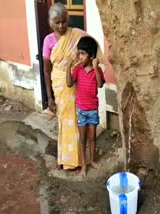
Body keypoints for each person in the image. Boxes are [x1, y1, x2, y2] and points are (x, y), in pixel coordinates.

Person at [43, 3, 99, 170]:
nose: (61, 26)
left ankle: (80, 159)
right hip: (60, 84)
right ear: (50, 22)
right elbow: (46, 72)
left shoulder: (77, 35)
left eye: (63, 22)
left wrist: (96, 64)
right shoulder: (48, 41)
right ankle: (66, 159)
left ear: (67, 20)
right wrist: (49, 97)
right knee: (64, 120)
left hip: (77, 83)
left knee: (77, 120)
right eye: (56, 22)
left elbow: (92, 46)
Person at [66, 37, 105, 177]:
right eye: (79, 53)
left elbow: (100, 85)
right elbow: (69, 84)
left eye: (82, 53)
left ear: (91, 56)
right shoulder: (77, 69)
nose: (80, 56)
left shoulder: (97, 70)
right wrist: (68, 67)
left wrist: (95, 67)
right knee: (82, 139)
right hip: (81, 109)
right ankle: (84, 165)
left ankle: (92, 160)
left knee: (92, 137)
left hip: (93, 109)